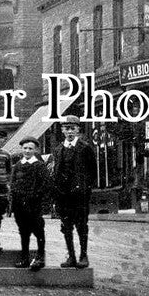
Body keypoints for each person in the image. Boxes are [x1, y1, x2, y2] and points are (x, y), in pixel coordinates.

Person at [51, 115, 96, 268]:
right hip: (63, 195)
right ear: (62, 130)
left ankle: (83, 255)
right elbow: (56, 172)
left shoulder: (85, 148)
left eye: (72, 128)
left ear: (78, 130)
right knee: (66, 226)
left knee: (81, 225)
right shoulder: (58, 150)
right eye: (66, 128)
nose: (69, 132)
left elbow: (92, 172)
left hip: (79, 195)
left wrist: (85, 189)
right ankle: (71, 256)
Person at [10, 137, 52, 271]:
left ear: (35, 150)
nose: (27, 151)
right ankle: (25, 258)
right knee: (23, 231)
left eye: (30, 148)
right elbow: (13, 183)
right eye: (25, 148)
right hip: (19, 205)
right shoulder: (18, 165)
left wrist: (40, 201)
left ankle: (40, 256)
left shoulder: (39, 165)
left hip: (34, 205)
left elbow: (45, 185)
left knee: (38, 230)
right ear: (21, 149)